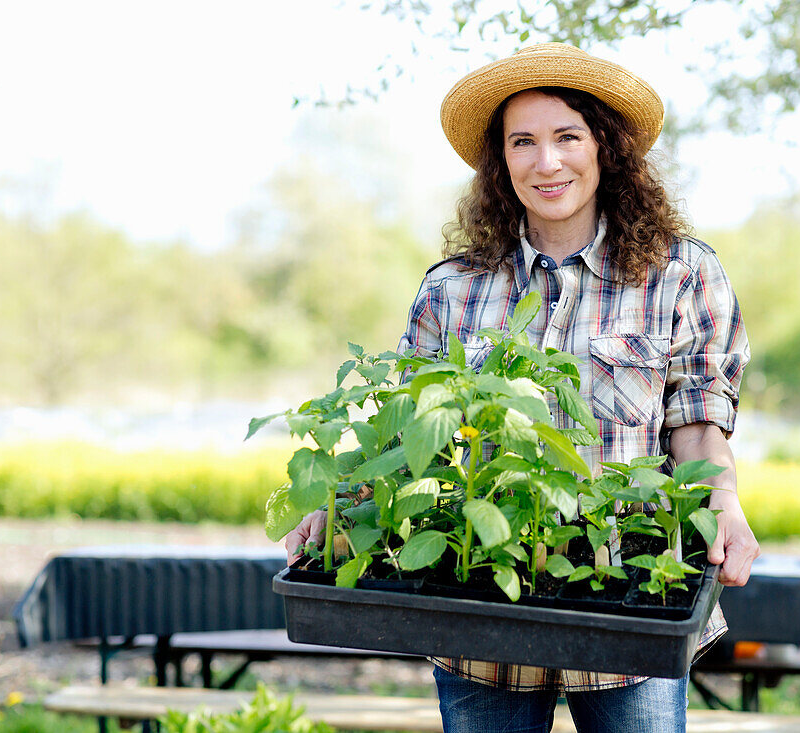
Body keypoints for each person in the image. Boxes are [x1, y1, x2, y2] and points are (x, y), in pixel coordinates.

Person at [284, 42, 759, 733]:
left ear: (605, 147)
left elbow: (696, 421)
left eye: (567, 136)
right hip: (484, 611)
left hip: (627, 602)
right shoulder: (455, 288)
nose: (547, 161)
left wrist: (726, 504)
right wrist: (341, 509)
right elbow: (407, 430)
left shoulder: (680, 273)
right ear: (499, 162)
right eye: (523, 142)